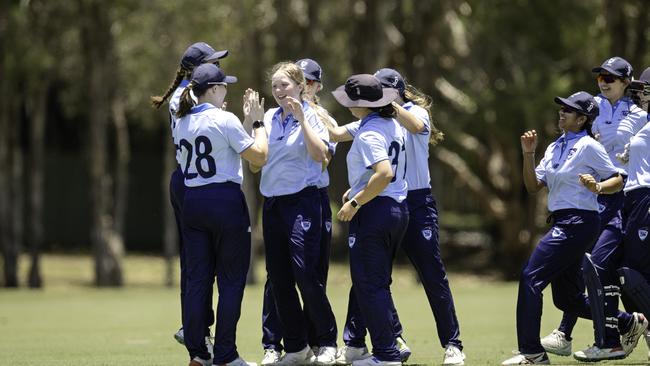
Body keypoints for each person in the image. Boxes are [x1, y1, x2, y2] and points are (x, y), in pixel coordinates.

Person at [328, 69, 465, 366]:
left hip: (416, 201)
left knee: (431, 274)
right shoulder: (375, 120)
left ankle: (452, 344)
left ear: (398, 91)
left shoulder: (415, 112)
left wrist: (393, 105)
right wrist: (308, 109)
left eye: (385, 89)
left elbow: (416, 126)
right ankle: (363, 341)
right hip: (385, 198)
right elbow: (337, 133)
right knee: (370, 276)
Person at [501, 91, 625, 365]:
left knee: (530, 277)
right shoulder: (555, 146)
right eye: (562, 108)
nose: (562, 112)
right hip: (564, 222)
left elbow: (618, 179)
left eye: (569, 110)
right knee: (567, 299)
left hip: (579, 222)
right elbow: (533, 186)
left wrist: (598, 187)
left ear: (582, 119)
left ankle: (532, 352)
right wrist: (528, 154)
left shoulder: (588, 146)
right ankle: (627, 322)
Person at [541, 57, 649, 360]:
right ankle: (568, 330)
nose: (603, 81)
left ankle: (618, 330)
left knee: (608, 265)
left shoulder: (640, 114)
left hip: (625, 195)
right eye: (600, 76)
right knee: (583, 260)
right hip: (591, 195)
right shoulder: (592, 107)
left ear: (627, 82)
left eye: (611, 77)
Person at [174, 63, 267, 366]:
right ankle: (225, 355)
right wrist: (256, 123)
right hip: (225, 201)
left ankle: (198, 354)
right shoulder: (225, 118)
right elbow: (259, 156)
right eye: (224, 85)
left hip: (193, 201)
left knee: (197, 280)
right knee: (230, 281)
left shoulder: (182, 120)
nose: (226, 88)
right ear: (213, 89)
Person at [249, 61, 338, 366]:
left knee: (305, 273)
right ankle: (297, 347)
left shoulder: (314, 116)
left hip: (304, 201)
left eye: (284, 85)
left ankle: (326, 342)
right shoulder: (269, 118)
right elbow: (255, 164)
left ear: (301, 86)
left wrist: (302, 119)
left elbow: (321, 156)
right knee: (279, 278)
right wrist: (253, 123)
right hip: (273, 205)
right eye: (274, 85)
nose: (278, 91)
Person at [150, 41, 228, 349]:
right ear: (196, 69)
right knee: (197, 261)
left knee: (199, 260)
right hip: (190, 181)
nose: (219, 68)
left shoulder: (196, 93)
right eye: (212, 63)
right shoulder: (188, 96)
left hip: (195, 181)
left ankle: (195, 324)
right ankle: (193, 325)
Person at [330, 74, 409, 366]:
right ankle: (384, 348)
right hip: (396, 211)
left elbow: (384, 173)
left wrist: (355, 201)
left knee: (369, 285)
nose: (348, 105)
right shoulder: (390, 124)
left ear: (364, 104)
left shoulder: (370, 132)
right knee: (376, 283)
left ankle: (386, 355)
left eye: (352, 101)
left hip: (375, 212)